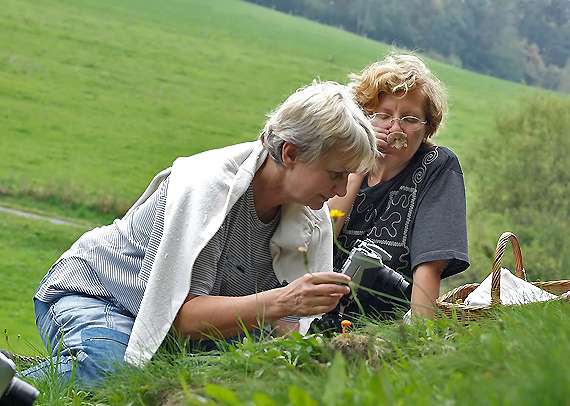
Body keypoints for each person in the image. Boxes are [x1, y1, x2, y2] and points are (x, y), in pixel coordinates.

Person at [21, 81, 377, 387]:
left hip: (191, 331)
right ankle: (16, 383)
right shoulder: (208, 190)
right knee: (113, 374)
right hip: (102, 295)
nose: (342, 187)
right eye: (335, 173)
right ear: (291, 153)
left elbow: (284, 329)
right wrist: (285, 301)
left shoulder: (310, 217)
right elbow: (180, 315)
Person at [327, 53, 470, 323]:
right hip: (315, 313)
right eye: (382, 115)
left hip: (384, 326)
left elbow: (429, 267)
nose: (395, 129)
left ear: (427, 129)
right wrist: (361, 156)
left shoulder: (436, 167)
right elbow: (320, 237)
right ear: (363, 118)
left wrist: (419, 337)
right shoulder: (341, 161)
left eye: (410, 119)